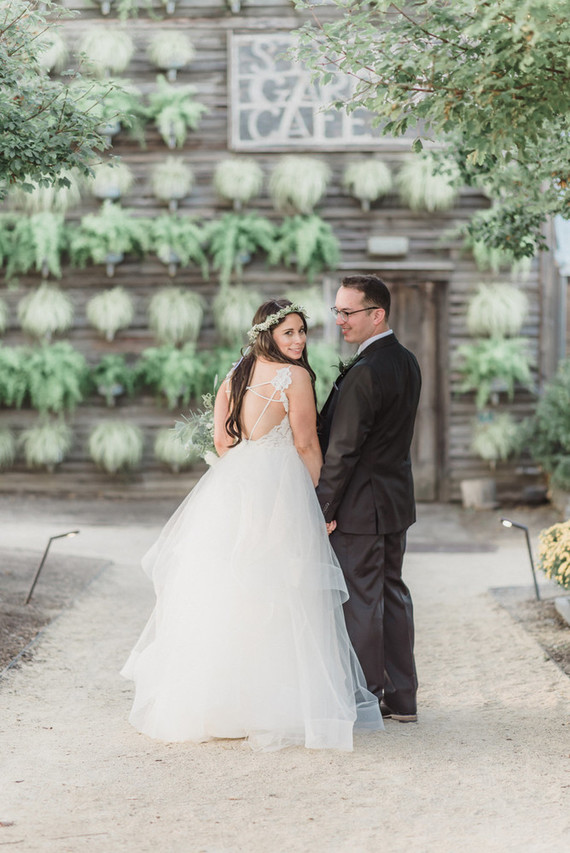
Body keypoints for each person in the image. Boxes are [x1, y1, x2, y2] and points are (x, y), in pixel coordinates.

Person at [121, 299, 383, 752]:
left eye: (302, 331)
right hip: (280, 488)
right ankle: (273, 706)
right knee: (279, 589)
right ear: (268, 335)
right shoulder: (294, 377)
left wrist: (247, 469)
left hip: (234, 486)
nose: (298, 340)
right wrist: (319, 504)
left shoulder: (235, 374)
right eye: (289, 333)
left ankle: (222, 705)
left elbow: (223, 441)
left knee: (231, 587)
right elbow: (306, 444)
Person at [317, 275, 422, 723]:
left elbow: (343, 451)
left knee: (360, 602)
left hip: (360, 508)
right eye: (337, 311)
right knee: (392, 595)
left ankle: (364, 701)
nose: (339, 320)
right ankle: (402, 699)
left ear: (376, 314)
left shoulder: (365, 372)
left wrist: (322, 508)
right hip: (394, 503)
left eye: (347, 312)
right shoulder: (406, 361)